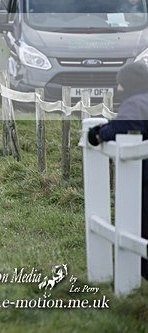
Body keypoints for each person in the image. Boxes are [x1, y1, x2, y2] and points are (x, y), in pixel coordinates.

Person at [87, 60, 148, 279]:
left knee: (141, 222)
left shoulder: (136, 103)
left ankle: (139, 272)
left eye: (121, 83)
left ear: (129, 84)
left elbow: (125, 125)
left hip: (143, 175)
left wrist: (98, 133)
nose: (118, 88)